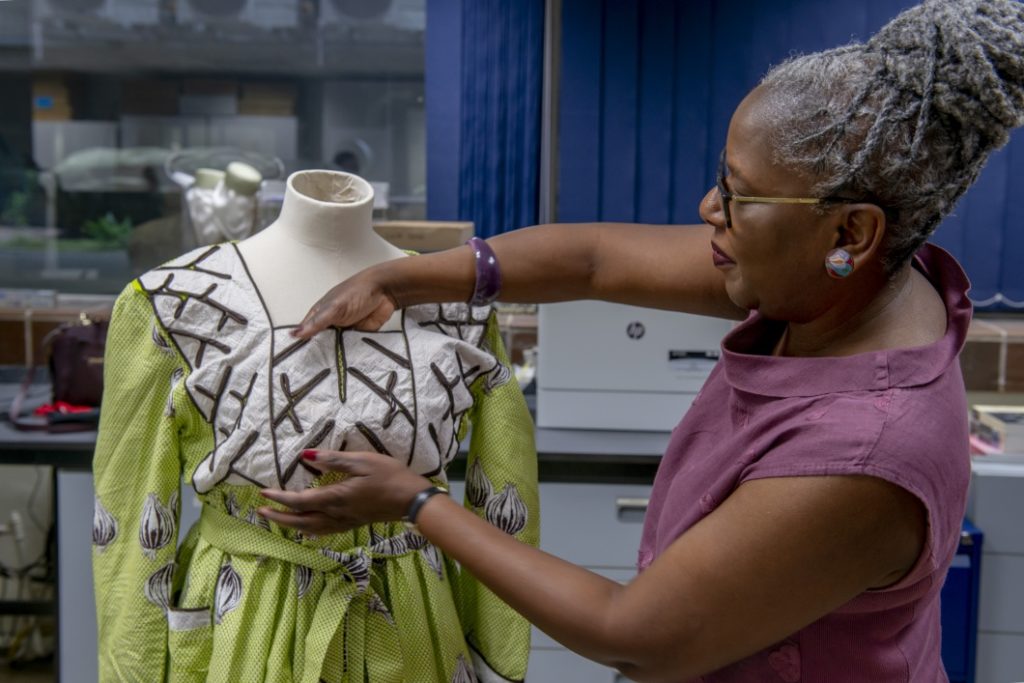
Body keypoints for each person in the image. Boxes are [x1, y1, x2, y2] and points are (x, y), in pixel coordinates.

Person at [260, 1, 1024, 681]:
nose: (707, 209)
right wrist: (407, 281)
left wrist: (416, 500)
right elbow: (595, 259)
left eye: (737, 195)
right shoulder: (842, 278)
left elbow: (635, 636)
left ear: (850, 231)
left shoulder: (867, 455)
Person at [93, 170, 538, 683]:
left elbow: (507, 492)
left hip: (413, 617)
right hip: (244, 618)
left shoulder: (455, 308)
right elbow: (128, 520)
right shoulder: (172, 304)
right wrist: (133, 672)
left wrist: (500, 659)